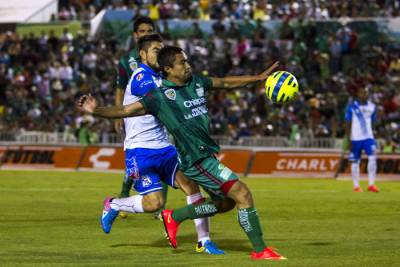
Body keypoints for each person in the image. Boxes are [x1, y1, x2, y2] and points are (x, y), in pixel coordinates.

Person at [78, 45, 285, 260]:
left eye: (186, 61)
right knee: (243, 193)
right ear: (168, 68)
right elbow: (124, 110)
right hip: (196, 160)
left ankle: (175, 216)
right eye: (182, 63)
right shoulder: (158, 98)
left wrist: (258, 78)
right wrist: (96, 110)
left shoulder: (196, 82)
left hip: (206, 155)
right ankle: (260, 250)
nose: (188, 66)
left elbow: (224, 82)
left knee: (226, 203)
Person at [102, 34, 223, 254]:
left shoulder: (160, 76)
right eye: (156, 50)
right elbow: (160, 95)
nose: (160, 53)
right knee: (154, 204)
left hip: (164, 147)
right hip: (140, 150)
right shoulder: (142, 77)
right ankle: (114, 204)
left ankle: (204, 241)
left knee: (191, 184)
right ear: (143, 54)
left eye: (162, 50)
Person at [115, 16, 169, 219]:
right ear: (135, 35)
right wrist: (119, 115)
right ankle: (123, 193)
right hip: (135, 116)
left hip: (158, 116)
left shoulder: (161, 56)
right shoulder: (125, 61)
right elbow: (120, 89)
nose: (145, 34)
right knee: (138, 157)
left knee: (162, 155)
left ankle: (159, 206)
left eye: (149, 30)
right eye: (142, 31)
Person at [345, 87, 379, 192]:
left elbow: (373, 122)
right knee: (355, 162)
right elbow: (347, 123)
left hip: (368, 137)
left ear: (368, 94)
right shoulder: (352, 107)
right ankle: (356, 186)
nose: (363, 94)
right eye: (361, 92)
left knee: (373, 158)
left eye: (365, 92)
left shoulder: (372, 107)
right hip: (355, 138)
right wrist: (348, 139)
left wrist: (374, 133)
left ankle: (371, 185)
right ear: (358, 94)